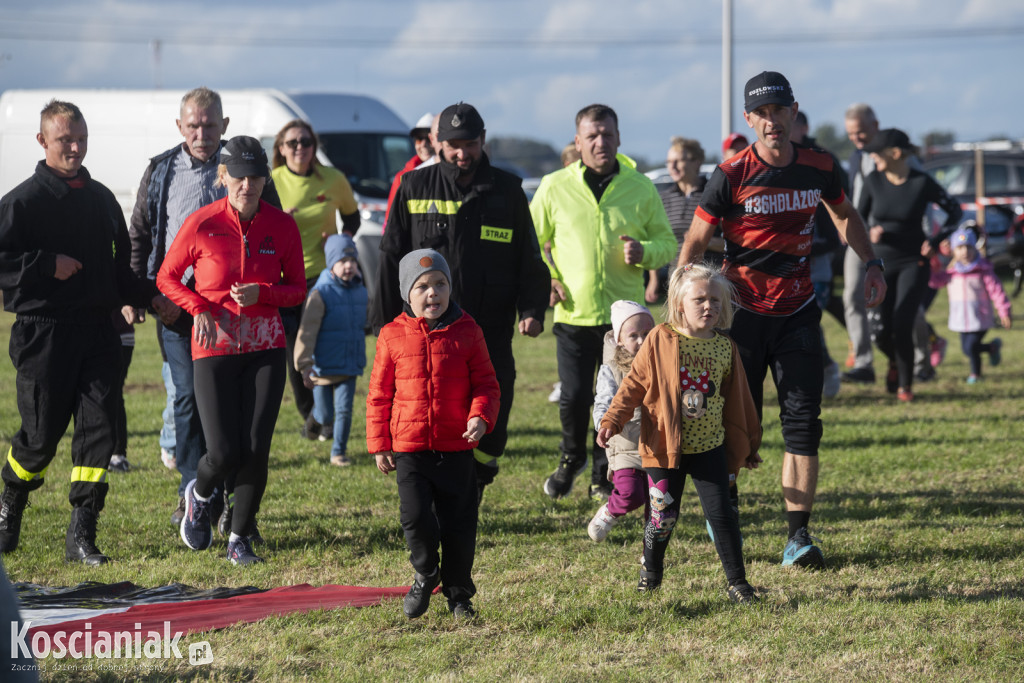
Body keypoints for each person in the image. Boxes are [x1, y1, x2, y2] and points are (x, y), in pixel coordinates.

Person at [679, 71, 887, 568]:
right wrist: (683, 305)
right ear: (749, 120)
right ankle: (724, 504)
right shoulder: (730, 174)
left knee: (802, 425)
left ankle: (798, 537)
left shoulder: (818, 165)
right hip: (741, 316)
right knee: (736, 427)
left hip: (797, 313)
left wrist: (872, 262)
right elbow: (694, 242)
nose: (772, 121)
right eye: (762, 114)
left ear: (793, 112)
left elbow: (844, 215)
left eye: (780, 111)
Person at [0, 99, 166, 564]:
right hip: (43, 334)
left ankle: (81, 535)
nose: (75, 148)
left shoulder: (102, 200)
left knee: (98, 435)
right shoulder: (21, 202)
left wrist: (149, 294)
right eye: (64, 140)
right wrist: (45, 264)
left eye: (82, 139)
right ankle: (11, 502)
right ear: (42, 141)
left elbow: (119, 272)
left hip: (98, 332)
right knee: (39, 438)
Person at [373, 102, 549, 502]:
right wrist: (382, 320)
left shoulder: (508, 191)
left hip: (489, 330)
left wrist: (533, 310)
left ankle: (477, 477)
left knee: (494, 423)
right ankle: (443, 495)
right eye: (453, 145)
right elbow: (390, 256)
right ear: (436, 142)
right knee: (434, 416)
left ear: (482, 140)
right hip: (427, 335)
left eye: (469, 144)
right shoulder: (413, 188)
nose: (461, 154)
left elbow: (529, 259)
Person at [129, 86, 280, 528]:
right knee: (187, 398)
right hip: (176, 308)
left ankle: (233, 496)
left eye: (210, 125)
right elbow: (140, 236)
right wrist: (146, 297)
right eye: (192, 125)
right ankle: (193, 493)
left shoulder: (244, 170)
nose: (201, 133)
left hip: (238, 317)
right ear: (180, 127)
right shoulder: (161, 171)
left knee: (234, 409)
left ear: (224, 126)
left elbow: (272, 234)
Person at [159, 136, 305, 566]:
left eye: (256, 177)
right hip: (214, 347)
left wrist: (265, 292)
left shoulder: (283, 226)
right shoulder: (202, 223)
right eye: (239, 177)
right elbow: (167, 278)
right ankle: (200, 494)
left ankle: (239, 537)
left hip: (265, 347)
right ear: (223, 177)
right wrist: (198, 306)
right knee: (222, 452)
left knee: (256, 447)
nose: (248, 185)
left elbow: (297, 290)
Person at [531, 103, 676, 501]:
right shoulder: (554, 185)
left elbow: (666, 244)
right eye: (591, 136)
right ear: (577, 142)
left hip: (624, 324)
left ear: (618, 138)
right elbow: (531, 242)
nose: (600, 142)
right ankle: (571, 457)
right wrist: (550, 277)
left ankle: (604, 470)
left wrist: (643, 251)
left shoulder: (640, 186)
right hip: (574, 313)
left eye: (607, 135)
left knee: (617, 399)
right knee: (575, 395)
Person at [597, 265, 761, 602]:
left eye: (715, 300)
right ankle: (651, 572)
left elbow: (739, 401)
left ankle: (738, 583)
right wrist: (612, 419)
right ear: (679, 303)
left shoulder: (724, 347)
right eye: (699, 299)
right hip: (663, 448)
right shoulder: (660, 338)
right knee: (663, 517)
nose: (708, 306)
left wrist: (747, 445)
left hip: (709, 450)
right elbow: (634, 384)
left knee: (723, 517)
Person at [368, 249, 500, 620]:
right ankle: (426, 573)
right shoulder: (391, 335)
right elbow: (379, 395)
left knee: (459, 524)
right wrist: (380, 444)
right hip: (409, 449)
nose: (433, 293)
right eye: (422, 286)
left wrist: (480, 418)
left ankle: (460, 596)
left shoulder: (469, 331)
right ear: (407, 293)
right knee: (415, 519)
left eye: (440, 284)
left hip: (456, 447)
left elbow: (487, 385)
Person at [271, 119, 360, 439]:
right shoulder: (271, 181)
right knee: (295, 347)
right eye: (292, 143)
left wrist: (340, 244)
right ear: (281, 148)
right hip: (282, 279)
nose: (299, 148)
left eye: (305, 142)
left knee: (324, 347)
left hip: (322, 279)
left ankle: (321, 416)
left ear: (314, 146)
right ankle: (311, 414)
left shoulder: (333, 180)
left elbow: (352, 216)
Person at [858, 128, 962, 401]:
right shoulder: (872, 181)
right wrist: (870, 231)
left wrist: (937, 239)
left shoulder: (921, 182)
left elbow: (955, 210)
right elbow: (858, 218)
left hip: (913, 261)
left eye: (876, 154)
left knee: (903, 321)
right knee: (880, 331)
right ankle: (895, 360)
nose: (872, 159)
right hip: (880, 263)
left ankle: (906, 385)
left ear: (894, 154)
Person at [294, 234, 368, 466]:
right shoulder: (320, 294)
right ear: (331, 264)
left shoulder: (360, 291)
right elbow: (307, 331)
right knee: (326, 414)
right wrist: (304, 364)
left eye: (353, 261)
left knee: (344, 411)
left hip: (349, 364)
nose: (349, 266)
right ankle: (314, 421)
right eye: (342, 261)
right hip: (323, 366)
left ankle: (338, 452)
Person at [587, 301, 655, 542]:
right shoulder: (613, 368)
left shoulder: (663, 362)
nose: (641, 340)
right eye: (633, 335)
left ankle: (652, 550)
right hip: (625, 444)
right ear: (619, 340)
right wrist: (603, 423)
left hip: (658, 444)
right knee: (631, 494)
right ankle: (610, 511)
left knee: (658, 506)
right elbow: (603, 399)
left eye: (647, 334)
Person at [791, 110, 846, 400]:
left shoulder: (821, 161)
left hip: (818, 271)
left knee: (808, 322)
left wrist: (805, 247)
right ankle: (817, 371)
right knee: (800, 326)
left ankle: (826, 368)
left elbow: (835, 235)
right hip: (788, 271)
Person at [931, 225, 1010, 383]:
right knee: (967, 350)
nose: (965, 252)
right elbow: (935, 281)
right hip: (961, 318)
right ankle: (991, 348)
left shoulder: (983, 270)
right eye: (960, 248)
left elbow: (997, 291)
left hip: (980, 317)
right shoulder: (952, 273)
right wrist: (930, 264)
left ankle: (976, 375)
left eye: (968, 247)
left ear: (975, 248)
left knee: (972, 347)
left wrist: (1004, 312)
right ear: (953, 251)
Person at [646, 137, 718, 303]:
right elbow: (656, 239)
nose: (672, 166)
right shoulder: (664, 198)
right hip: (676, 278)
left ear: (696, 162)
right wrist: (653, 280)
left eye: (678, 161)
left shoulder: (713, 195)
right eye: (669, 161)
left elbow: (730, 241)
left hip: (709, 280)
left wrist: (705, 241)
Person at [384, 112, 438, 225]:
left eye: (429, 139)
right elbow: (391, 221)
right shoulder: (402, 177)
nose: (423, 144)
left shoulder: (454, 174)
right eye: (419, 138)